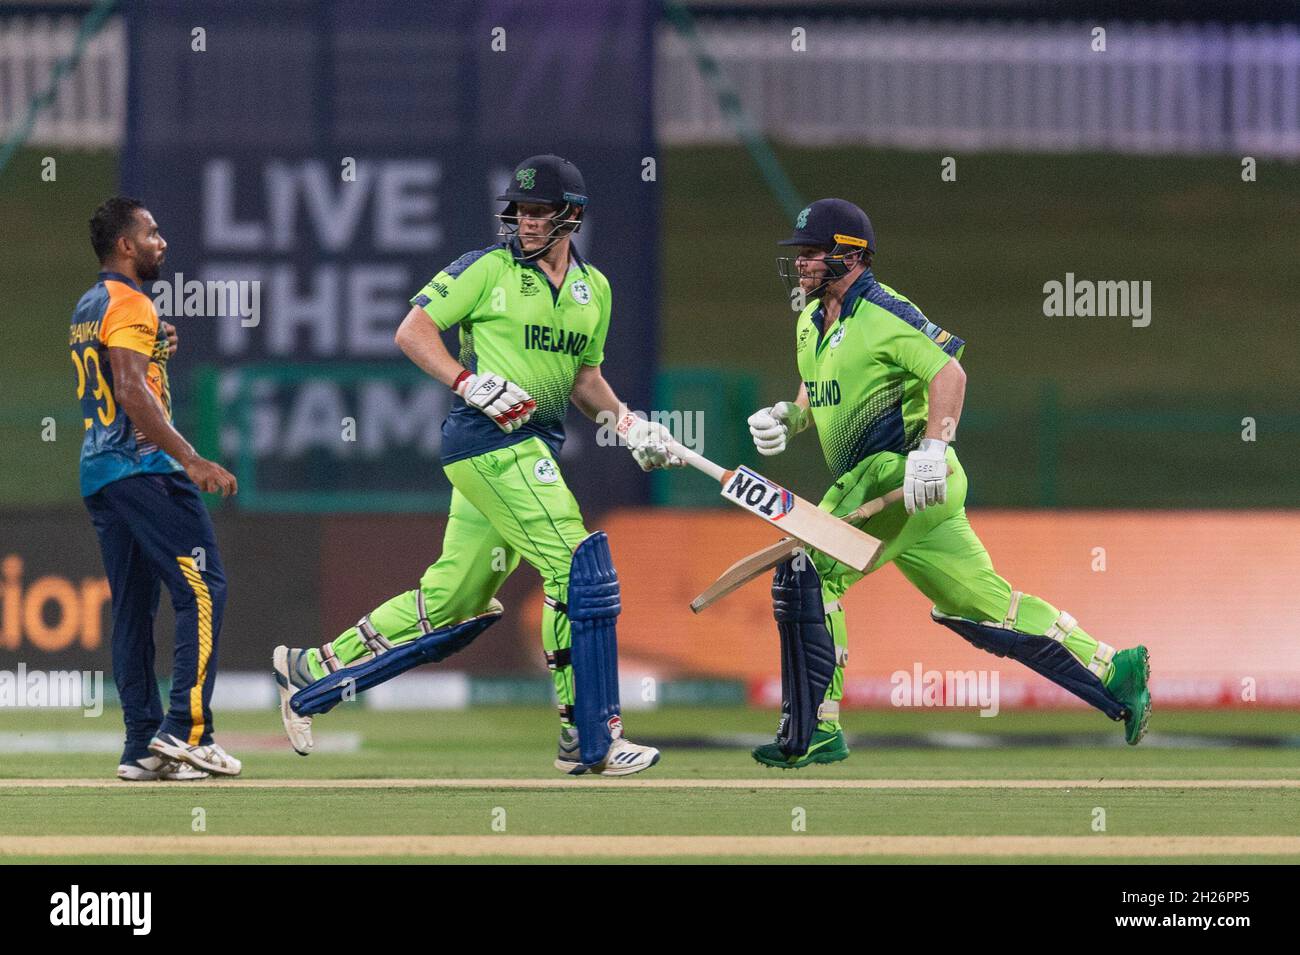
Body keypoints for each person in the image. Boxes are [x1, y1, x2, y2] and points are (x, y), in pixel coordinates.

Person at [274, 155, 680, 776]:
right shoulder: (487, 269)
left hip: (527, 451)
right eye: (519, 211)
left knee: (453, 596)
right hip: (488, 443)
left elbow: (586, 378)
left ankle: (313, 667)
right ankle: (588, 736)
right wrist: (467, 382)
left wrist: (626, 423)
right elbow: (412, 332)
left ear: (571, 216)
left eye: (539, 212)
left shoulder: (593, 290)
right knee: (578, 570)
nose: (525, 222)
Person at [746, 198, 1151, 768]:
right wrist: (790, 417)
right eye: (801, 255)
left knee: (808, 574)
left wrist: (934, 449)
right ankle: (1116, 670)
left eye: (813, 254)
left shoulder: (885, 312)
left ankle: (817, 729)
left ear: (849, 255)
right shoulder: (811, 321)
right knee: (981, 607)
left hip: (900, 476)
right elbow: (820, 390)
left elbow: (947, 371)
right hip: (909, 498)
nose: (802, 264)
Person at [74, 196, 242, 780]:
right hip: (146, 472)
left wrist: (153, 348)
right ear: (125, 245)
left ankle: (143, 746)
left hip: (102, 473)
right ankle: (188, 731)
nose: (161, 241)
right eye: (151, 231)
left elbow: (122, 371)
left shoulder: (91, 303)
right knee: (202, 589)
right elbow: (129, 389)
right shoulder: (131, 302)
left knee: (132, 611)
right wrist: (191, 458)